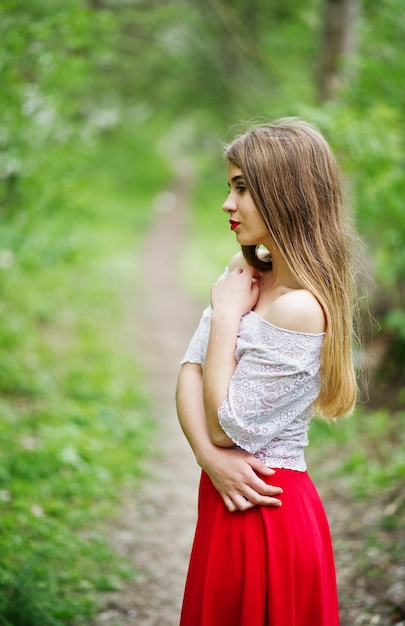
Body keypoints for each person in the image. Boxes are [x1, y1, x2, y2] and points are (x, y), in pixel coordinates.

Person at [176, 118, 359, 626]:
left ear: (287, 194)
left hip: (265, 513)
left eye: (241, 187)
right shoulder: (246, 278)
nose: (227, 204)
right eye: (229, 186)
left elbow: (224, 423)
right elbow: (189, 371)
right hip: (227, 494)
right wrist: (207, 458)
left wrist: (228, 317)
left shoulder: (299, 308)